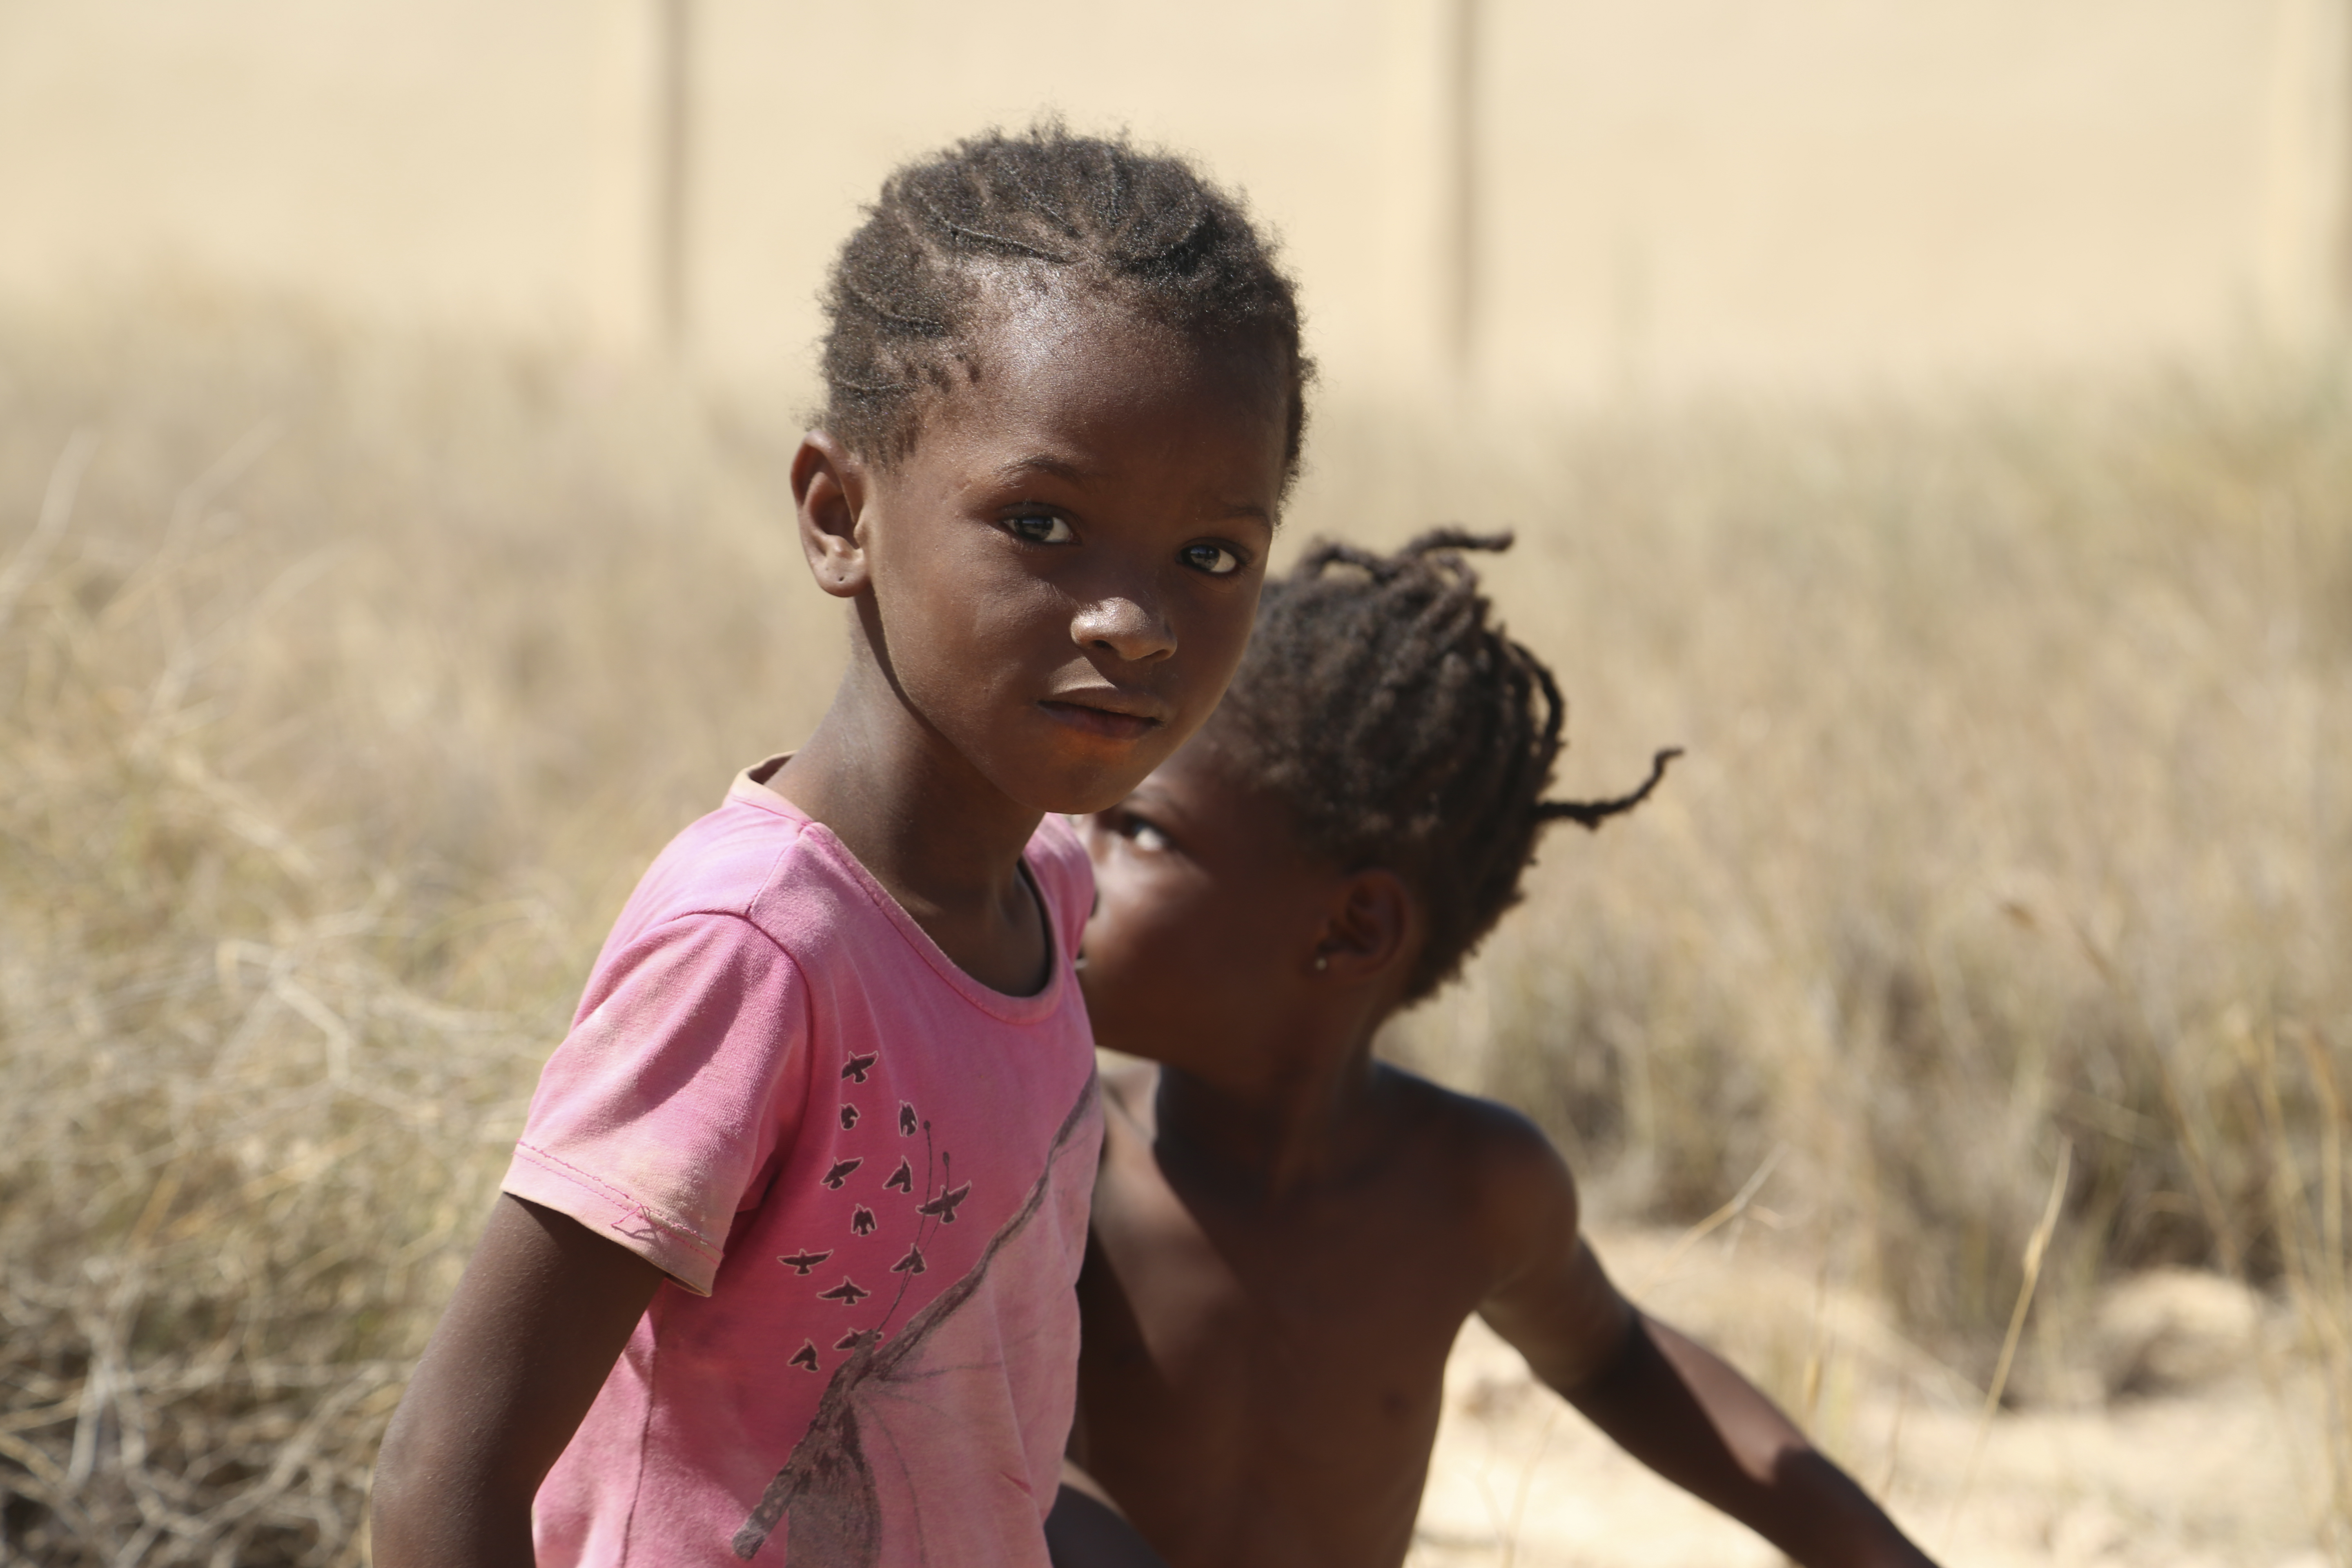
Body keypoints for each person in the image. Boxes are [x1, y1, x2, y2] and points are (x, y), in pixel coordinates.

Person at [369, 125, 1311, 1568]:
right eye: (1044, 523)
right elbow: (445, 1476)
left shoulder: (1044, 895)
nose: (1137, 620)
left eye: (1213, 556)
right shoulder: (760, 950)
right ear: (838, 514)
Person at [1042, 532, 1940, 1568]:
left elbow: (1613, 1355)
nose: (1066, 860)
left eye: (1139, 830)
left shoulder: (1467, 1186)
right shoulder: (1061, 1158)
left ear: (1352, 931)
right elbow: (983, 1433)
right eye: (1078, 814)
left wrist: (1866, 1547)